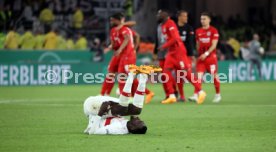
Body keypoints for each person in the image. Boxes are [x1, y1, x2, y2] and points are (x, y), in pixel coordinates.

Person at [83, 65, 160, 134]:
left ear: (132, 127)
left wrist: (100, 114)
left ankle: (131, 74)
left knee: (123, 108)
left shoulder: (117, 129)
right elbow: (135, 113)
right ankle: (143, 76)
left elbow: (94, 132)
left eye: (139, 122)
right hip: (104, 106)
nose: (140, 120)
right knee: (137, 110)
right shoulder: (127, 124)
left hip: (92, 108)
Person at [100, 13, 154, 103]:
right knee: (120, 74)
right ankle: (106, 94)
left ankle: (142, 93)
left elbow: (129, 37)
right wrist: (110, 48)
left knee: (127, 75)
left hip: (127, 55)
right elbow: (115, 43)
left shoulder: (124, 29)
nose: (111, 22)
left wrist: (134, 49)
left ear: (118, 20)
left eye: (112, 20)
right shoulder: (114, 30)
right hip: (121, 55)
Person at [157, 10, 206, 104]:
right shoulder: (163, 25)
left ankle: (201, 91)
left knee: (186, 74)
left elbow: (175, 38)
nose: (158, 16)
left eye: (160, 15)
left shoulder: (170, 23)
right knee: (165, 72)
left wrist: (163, 46)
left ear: (165, 16)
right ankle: (172, 95)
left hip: (179, 51)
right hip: (171, 52)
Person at [189, 12, 221, 103]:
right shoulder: (198, 31)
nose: (202, 21)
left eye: (204, 19)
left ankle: (218, 95)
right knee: (198, 77)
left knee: (214, 76)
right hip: (201, 57)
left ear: (209, 20)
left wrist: (206, 54)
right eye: (201, 19)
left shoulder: (214, 30)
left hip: (210, 57)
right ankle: (196, 95)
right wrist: (198, 54)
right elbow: (198, 45)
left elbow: (214, 45)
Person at [176, 10, 196, 102]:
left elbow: (190, 43)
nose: (186, 18)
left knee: (187, 74)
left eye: (187, 16)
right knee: (179, 76)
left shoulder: (189, 28)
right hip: (176, 56)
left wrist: (191, 55)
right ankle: (182, 96)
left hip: (186, 56)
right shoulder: (174, 28)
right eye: (184, 16)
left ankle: (199, 90)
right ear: (179, 17)